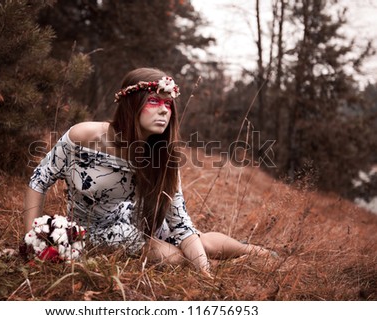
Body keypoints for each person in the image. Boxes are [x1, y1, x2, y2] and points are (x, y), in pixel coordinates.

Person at [23, 67, 274, 275]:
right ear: (132, 103)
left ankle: (253, 252)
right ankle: (211, 263)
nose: (164, 109)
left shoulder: (162, 155)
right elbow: (39, 180)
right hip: (92, 230)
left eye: (168, 103)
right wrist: (31, 238)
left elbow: (181, 226)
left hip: (136, 218)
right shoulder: (84, 136)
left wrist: (205, 276)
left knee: (201, 242)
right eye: (154, 101)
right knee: (177, 260)